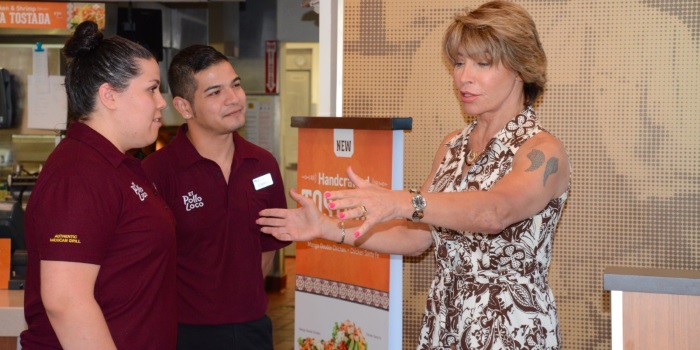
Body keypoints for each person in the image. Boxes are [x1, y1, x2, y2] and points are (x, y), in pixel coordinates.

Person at [257, 1, 570, 349]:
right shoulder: (452, 145)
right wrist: (327, 228)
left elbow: (495, 212)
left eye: (482, 64)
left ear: (520, 70)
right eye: (458, 62)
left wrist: (403, 201)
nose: (464, 77)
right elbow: (417, 238)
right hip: (445, 319)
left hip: (511, 328)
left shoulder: (541, 151)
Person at [20, 21, 176, 349]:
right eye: (151, 89)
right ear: (109, 95)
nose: (162, 102)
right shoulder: (78, 174)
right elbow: (65, 301)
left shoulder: (119, 167)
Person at [142, 45, 290, 350]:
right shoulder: (156, 172)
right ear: (184, 108)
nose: (233, 99)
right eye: (214, 92)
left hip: (253, 329)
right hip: (184, 333)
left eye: (235, 85)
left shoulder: (263, 165)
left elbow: (266, 247)